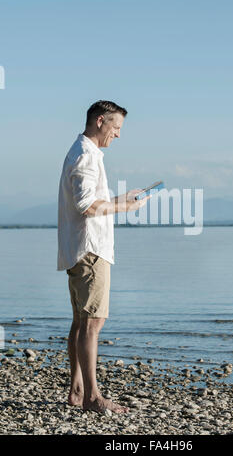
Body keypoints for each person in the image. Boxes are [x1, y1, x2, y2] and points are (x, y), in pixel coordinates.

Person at [57, 100, 150, 414]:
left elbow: (91, 201)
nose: (119, 135)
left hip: (81, 248)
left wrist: (118, 199)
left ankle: (77, 390)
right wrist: (123, 207)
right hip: (91, 250)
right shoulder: (85, 155)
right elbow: (86, 206)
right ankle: (92, 398)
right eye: (117, 127)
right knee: (93, 322)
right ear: (100, 121)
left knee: (82, 321)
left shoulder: (85, 152)